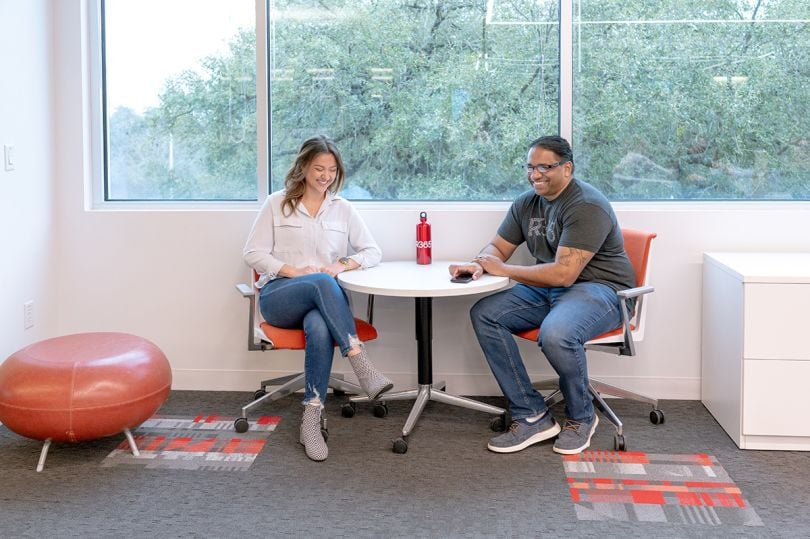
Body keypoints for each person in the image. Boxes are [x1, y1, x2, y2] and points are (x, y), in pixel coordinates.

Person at [449, 135, 635, 456]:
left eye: (544, 167)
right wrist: (480, 264)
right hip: (548, 289)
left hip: (601, 290)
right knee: (485, 313)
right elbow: (498, 247)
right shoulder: (527, 203)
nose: (535, 174)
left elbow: (565, 273)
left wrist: (503, 270)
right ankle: (531, 414)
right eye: (530, 167)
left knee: (557, 334)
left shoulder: (586, 205)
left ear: (567, 168)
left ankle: (581, 417)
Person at [243, 135, 393, 462]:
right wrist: (296, 272)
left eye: (331, 170)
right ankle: (359, 360)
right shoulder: (277, 203)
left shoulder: (343, 209)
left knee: (321, 324)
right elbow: (252, 253)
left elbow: (372, 251)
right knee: (320, 282)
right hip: (281, 296)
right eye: (318, 168)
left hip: (325, 306)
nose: (325, 176)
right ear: (303, 168)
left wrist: (341, 264)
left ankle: (311, 418)